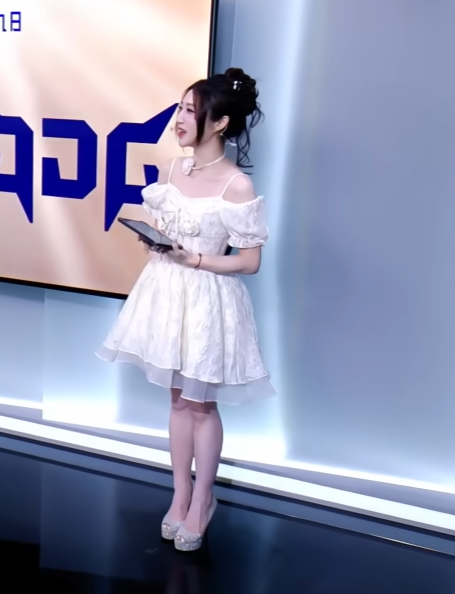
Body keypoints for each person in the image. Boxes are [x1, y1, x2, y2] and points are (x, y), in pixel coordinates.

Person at [97, 67, 275, 551]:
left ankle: (203, 500)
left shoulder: (236, 185)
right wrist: (159, 243)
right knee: (177, 400)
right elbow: (169, 230)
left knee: (201, 405)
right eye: (179, 107)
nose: (178, 118)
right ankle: (180, 496)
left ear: (219, 123)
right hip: (166, 291)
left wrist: (193, 258)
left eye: (190, 111)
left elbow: (250, 261)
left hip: (207, 300)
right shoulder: (174, 170)